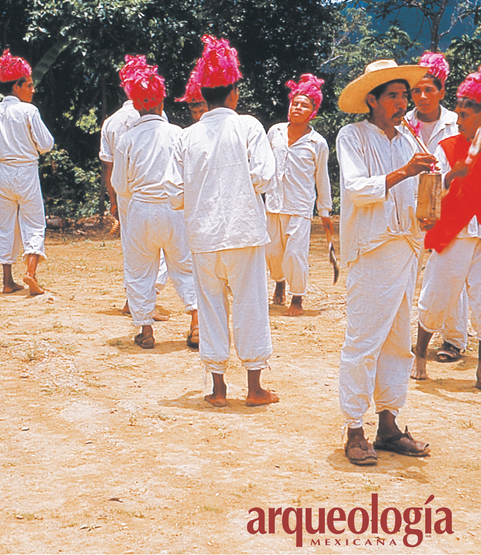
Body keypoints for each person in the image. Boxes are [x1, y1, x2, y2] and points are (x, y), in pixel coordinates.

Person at [166, 35, 278, 408]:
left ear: (204, 94)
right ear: (233, 93)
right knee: (250, 305)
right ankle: (255, 386)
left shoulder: (186, 136)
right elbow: (264, 176)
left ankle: (216, 388)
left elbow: (174, 193)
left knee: (211, 306)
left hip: (203, 236)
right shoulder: (249, 126)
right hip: (243, 231)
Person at [335, 59, 436, 466]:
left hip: (406, 248)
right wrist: (405, 172)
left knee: (396, 342)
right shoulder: (352, 135)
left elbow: (418, 194)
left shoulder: (411, 140)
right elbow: (359, 189)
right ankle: (355, 430)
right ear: (371, 99)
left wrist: (429, 202)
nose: (401, 102)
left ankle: (389, 425)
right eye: (392, 95)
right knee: (363, 341)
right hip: (373, 249)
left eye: (403, 95)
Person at [111, 55, 198, 350]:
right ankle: (196, 324)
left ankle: (146, 330)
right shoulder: (179, 134)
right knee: (186, 267)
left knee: (139, 269)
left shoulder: (127, 138)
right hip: (175, 209)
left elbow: (120, 185)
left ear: (135, 105)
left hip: (140, 211)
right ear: (162, 103)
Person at [413, 67, 481, 382]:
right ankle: (419, 356)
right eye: (462, 107)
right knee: (437, 294)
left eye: (471, 108)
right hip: (456, 232)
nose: (463, 112)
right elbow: (433, 186)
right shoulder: (449, 146)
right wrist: (453, 174)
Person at [0, 48, 52, 295]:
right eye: (29, 85)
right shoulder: (29, 111)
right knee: (34, 222)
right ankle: (30, 273)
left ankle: (7, 281)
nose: (33, 89)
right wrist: (32, 150)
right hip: (26, 171)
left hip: (3, 172)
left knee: (5, 224)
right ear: (17, 86)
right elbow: (47, 143)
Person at [408, 51, 469, 363]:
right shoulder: (404, 123)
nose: (421, 96)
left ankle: (453, 340)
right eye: (416, 90)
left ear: (442, 90)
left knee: (451, 273)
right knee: (410, 269)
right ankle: (404, 335)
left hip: (452, 209)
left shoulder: (457, 122)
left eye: (429, 89)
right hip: (411, 207)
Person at [265, 73, 333, 316]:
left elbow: (322, 179)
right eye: (295, 103)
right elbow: (263, 164)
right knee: (272, 252)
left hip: (300, 207)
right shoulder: (275, 132)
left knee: (295, 254)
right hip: (273, 203)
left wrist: (324, 211)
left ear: (312, 111)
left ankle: (297, 296)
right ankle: (279, 282)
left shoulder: (318, 143)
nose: (298, 108)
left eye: (304, 105)